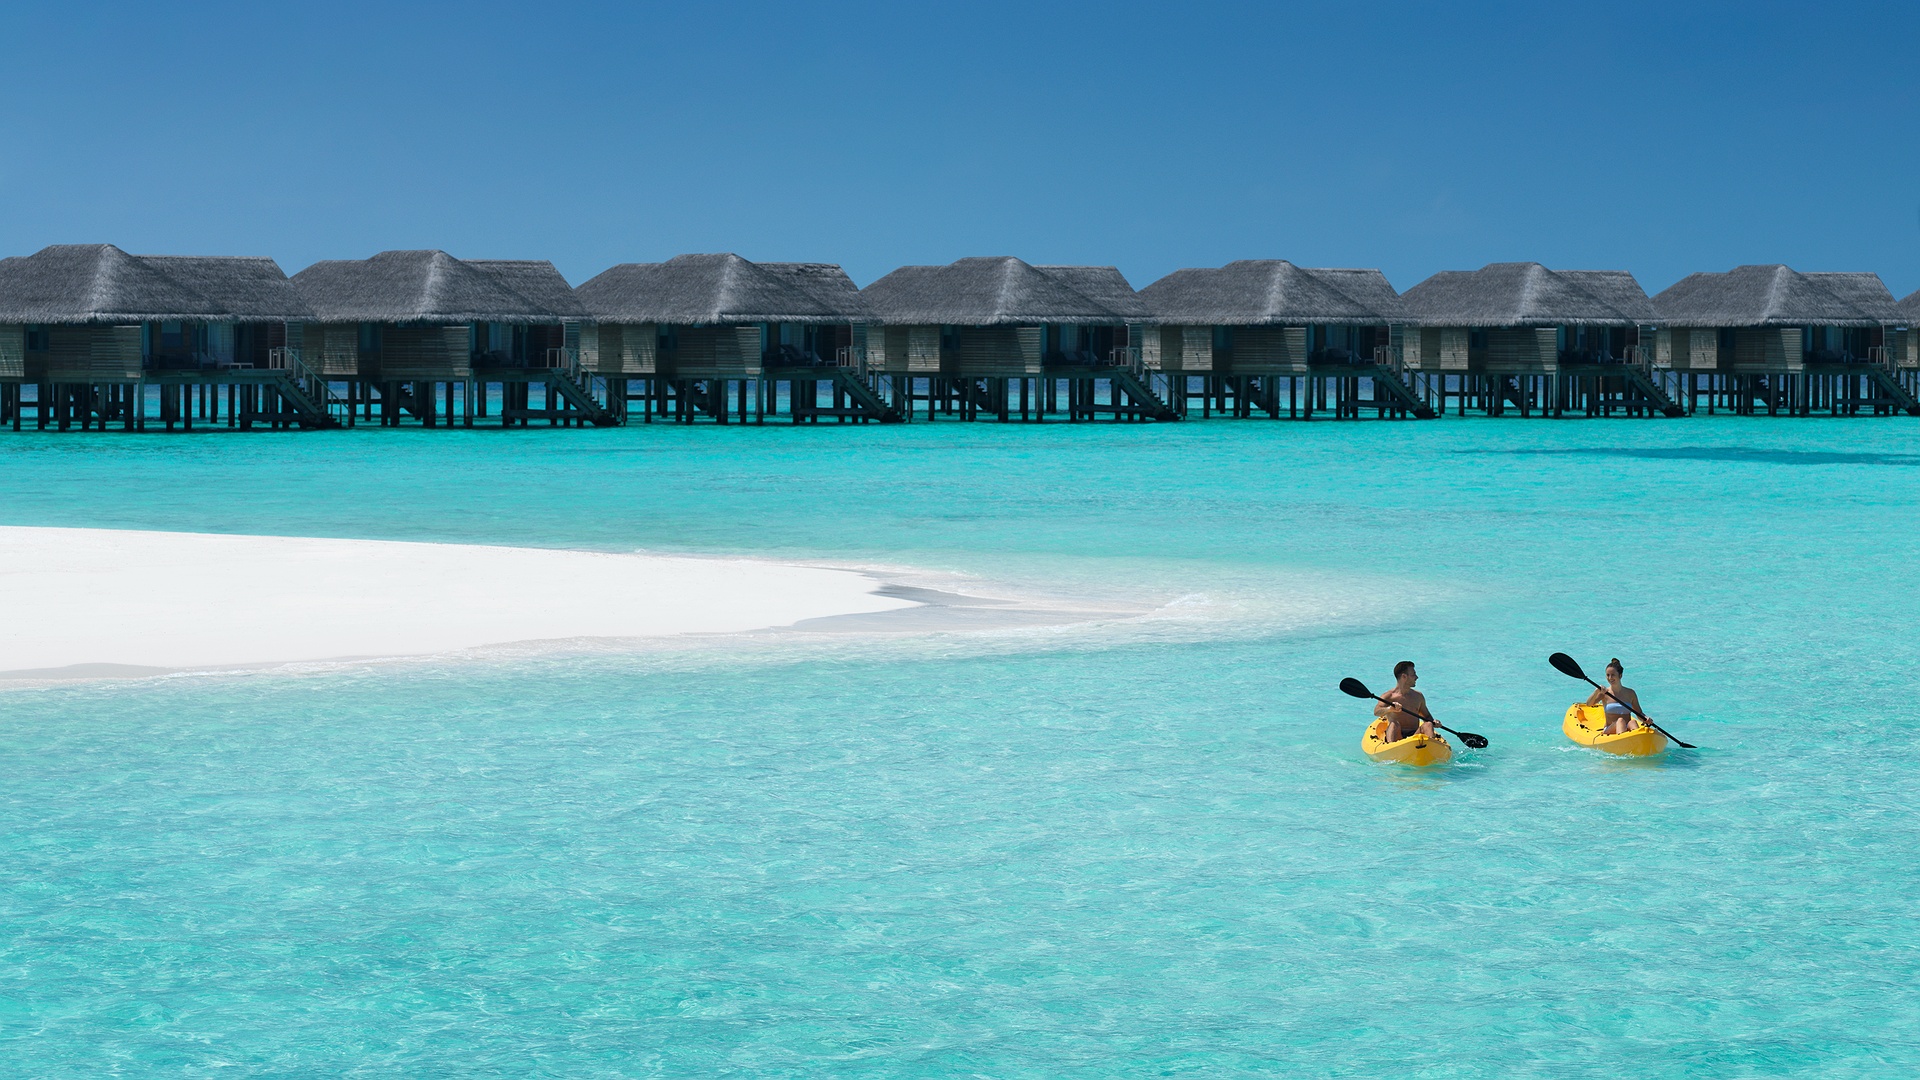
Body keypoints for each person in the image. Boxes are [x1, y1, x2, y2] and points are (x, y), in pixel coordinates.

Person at [1582, 658, 1650, 735]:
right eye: (1608, 675)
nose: (1610, 678)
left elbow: (1639, 713)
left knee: (1633, 722)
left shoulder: (1630, 693)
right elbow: (1588, 704)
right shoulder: (1604, 693)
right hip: (1610, 729)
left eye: (1613, 675)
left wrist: (1646, 718)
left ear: (1620, 676)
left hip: (1627, 728)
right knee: (1620, 721)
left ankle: (1637, 740)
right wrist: (1596, 691)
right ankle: (1623, 741)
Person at [1375, 660, 1436, 743]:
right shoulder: (1388, 696)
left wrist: (1434, 722)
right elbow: (1376, 712)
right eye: (1413, 674)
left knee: (1428, 724)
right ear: (1404, 676)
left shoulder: (1418, 696)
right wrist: (1390, 709)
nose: (1416, 677)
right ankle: (1392, 750)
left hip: (1415, 735)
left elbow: (1427, 716)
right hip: (1397, 736)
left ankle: (1432, 749)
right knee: (1394, 724)